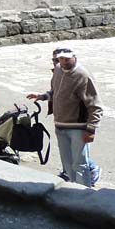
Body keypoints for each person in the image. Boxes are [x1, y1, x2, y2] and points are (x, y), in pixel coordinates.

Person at [28, 47, 103, 187]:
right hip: (60, 125)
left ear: (74, 58)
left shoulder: (82, 75)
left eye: (66, 59)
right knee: (67, 164)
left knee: (80, 164)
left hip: (78, 127)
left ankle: (84, 193)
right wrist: (43, 96)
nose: (63, 62)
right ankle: (73, 190)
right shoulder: (57, 70)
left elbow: (95, 104)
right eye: (59, 59)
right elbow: (56, 92)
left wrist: (91, 129)